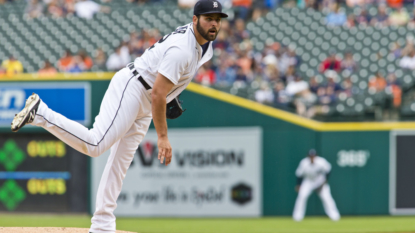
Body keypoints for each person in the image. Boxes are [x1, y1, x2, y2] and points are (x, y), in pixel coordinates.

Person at [11, 1, 227, 232]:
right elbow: (157, 94)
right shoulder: (183, 49)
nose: (214, 23)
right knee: (95, 144)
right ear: (195, 20)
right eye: (208, 18)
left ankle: (103, 223)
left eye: (217, 19)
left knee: (119, 163)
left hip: (146, 97)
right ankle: (41, 113)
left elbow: (162, 83)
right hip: (134, 88)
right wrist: (163, 136)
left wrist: (170, 95)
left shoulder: (205, 46)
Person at [293, 149, 340, 222]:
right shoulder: (304, 162)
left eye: (313, 156)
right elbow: (299, 175)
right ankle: (297, 216)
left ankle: (334, 216)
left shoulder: (321, 161)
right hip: (308, 181)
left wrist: (324, 183)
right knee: (302, 196)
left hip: (320, 181)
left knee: (327, 198)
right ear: (308, 156)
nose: (312, 157)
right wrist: (298, 185)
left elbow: (328, 171)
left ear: (316, 156)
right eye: (310, 156)